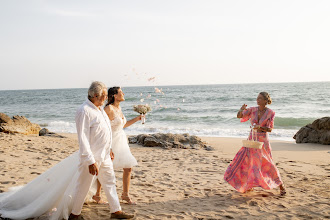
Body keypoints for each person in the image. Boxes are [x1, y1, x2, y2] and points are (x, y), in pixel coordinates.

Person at [0, 81, 134, 220]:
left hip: (104, 155)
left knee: (110, 181)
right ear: (95, 95)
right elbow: (83, 138)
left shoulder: (100, 110)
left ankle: (116, 211)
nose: (106, 98)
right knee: (83, 186)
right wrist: (89, 160)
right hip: (92, 157)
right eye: (104, 96)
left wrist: (109, 148)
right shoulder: (84, 111)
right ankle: (75, 214)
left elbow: (106, 131)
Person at [224, 92, 286, 196]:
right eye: (257, 98)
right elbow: (239, 116)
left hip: (263, 141)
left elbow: (270, 129)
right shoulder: (252, 110)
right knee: (249, 162)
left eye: (260, 99)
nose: (258, 100)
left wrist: (260, 128)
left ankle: (281, 185)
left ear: (266, 101)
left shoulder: (271, 112)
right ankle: (249, 185)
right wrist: (241, 109)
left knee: (268, 163)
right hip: (252, 139)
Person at [92, 87, 141, 205]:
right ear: (114, 95)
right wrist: (108, 147)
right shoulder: (108, 109)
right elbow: (104, 128)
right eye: (121, 92)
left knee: (128, 167)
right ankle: (97, 195)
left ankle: (125, 195)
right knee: (105, 167)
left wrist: (138, 118)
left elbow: (122, 125)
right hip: (111, 141)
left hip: (121, 141)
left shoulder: (119, 108)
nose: (123, 94)